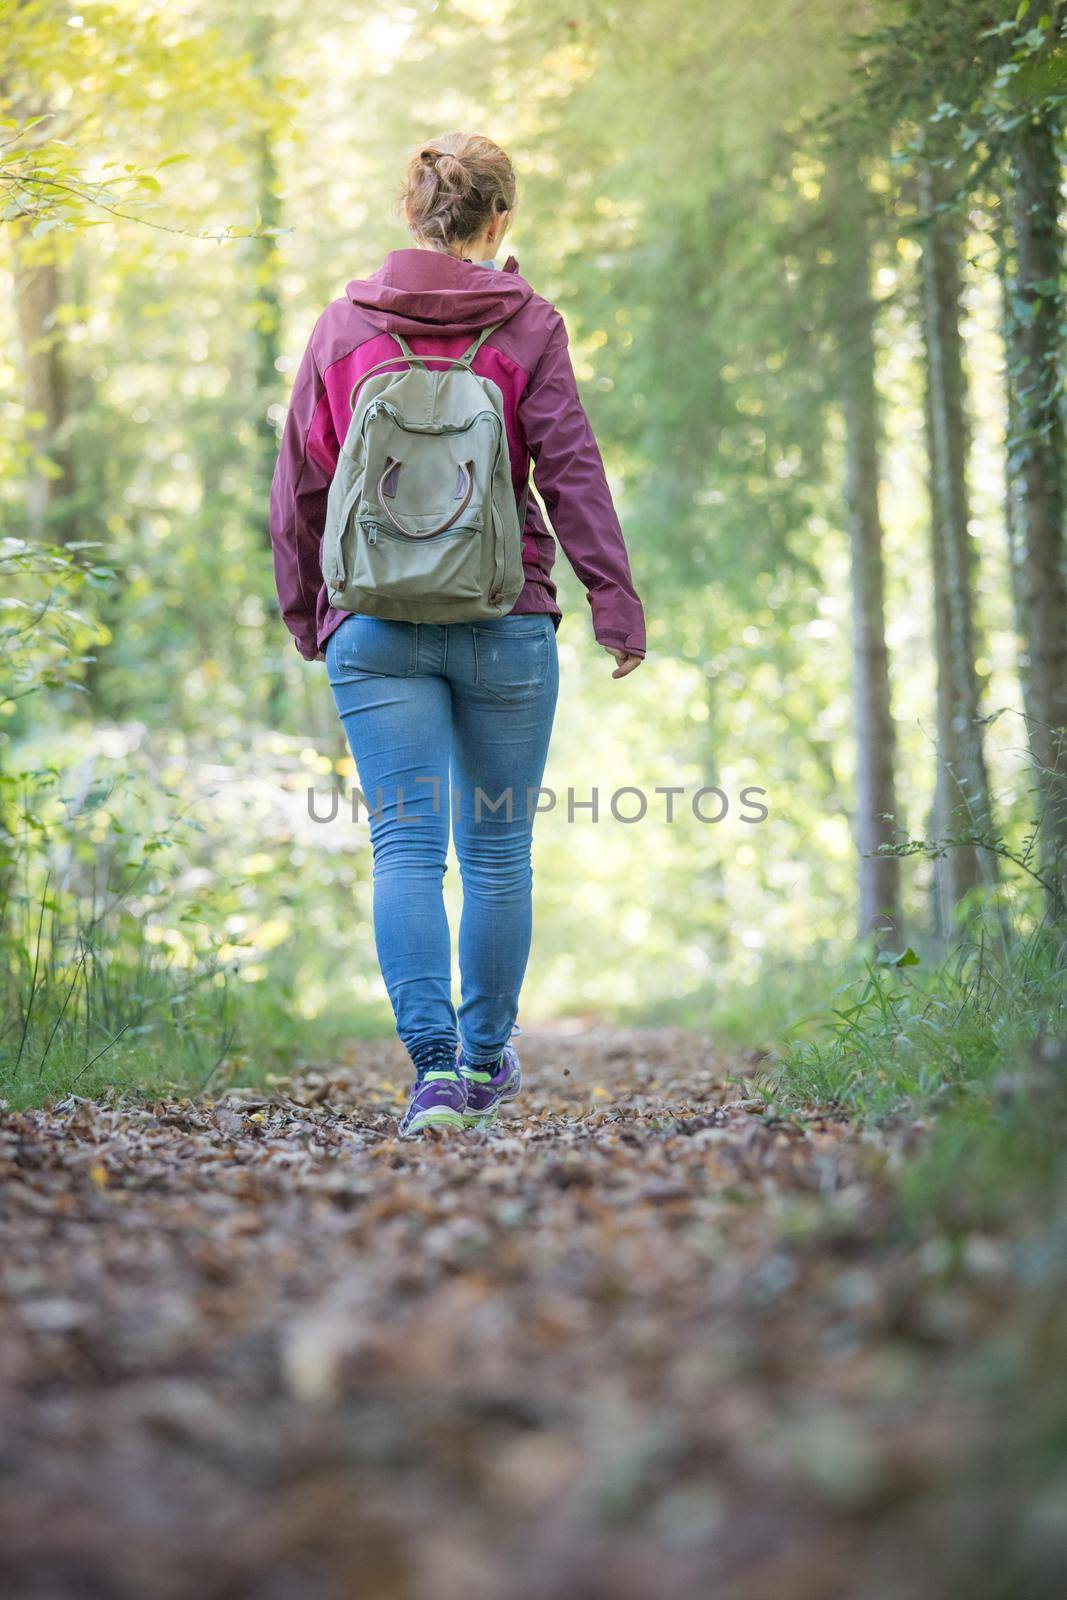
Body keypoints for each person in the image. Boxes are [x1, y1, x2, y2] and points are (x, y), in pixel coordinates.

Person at [269, 131, 646, 1136]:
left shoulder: (342, 327)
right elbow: (569, 468)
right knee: (494, 855)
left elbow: (301, 482)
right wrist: (614, 601)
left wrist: (307, 608)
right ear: (500, 219)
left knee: (403, 851)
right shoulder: (527, 326)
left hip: (373, 623)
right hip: (503, 615)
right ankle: (482, 1066)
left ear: (412, 213)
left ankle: (431, 1072)